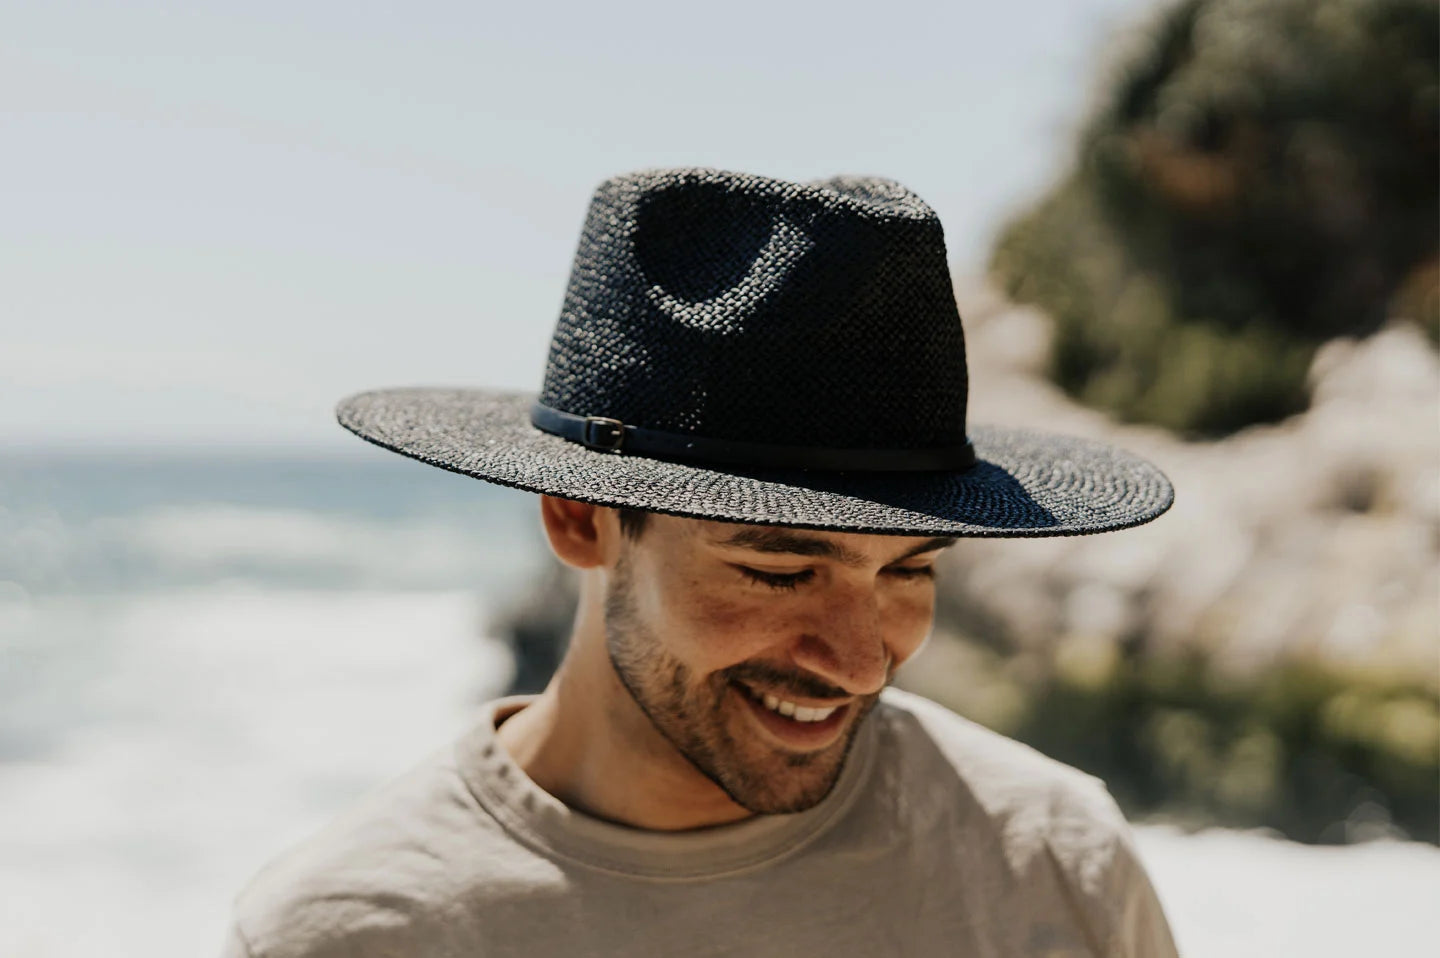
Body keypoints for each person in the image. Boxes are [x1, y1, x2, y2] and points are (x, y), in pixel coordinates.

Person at [222, 168, 1180, 957]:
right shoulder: (352, 933)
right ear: (578, 519)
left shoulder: (1050, 861)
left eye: (908, 572)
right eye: (779, 570)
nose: (859, 662)